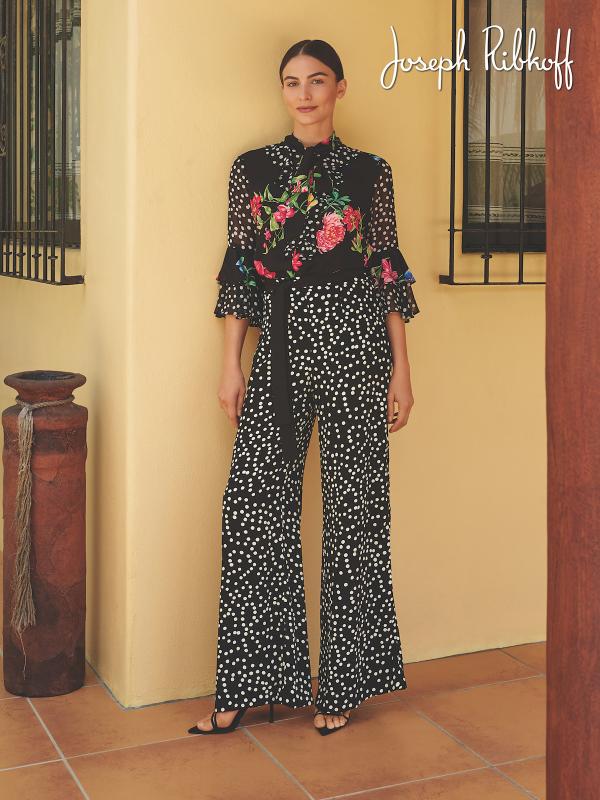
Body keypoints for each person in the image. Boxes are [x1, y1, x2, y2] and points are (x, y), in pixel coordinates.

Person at [189, 38, 420, 738]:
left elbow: (385, 269)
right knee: (254, 509)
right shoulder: (252, 169)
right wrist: (231, 364)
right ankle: (248, 685)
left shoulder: (371, 173)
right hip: (283, 345)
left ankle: (343, 684)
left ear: (340, 88)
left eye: (317, 81)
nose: (304, 94)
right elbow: (241, 268)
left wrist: (402, 368)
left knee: (355, 514)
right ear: (282, 91)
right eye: (292, 82)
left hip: (355, 344)